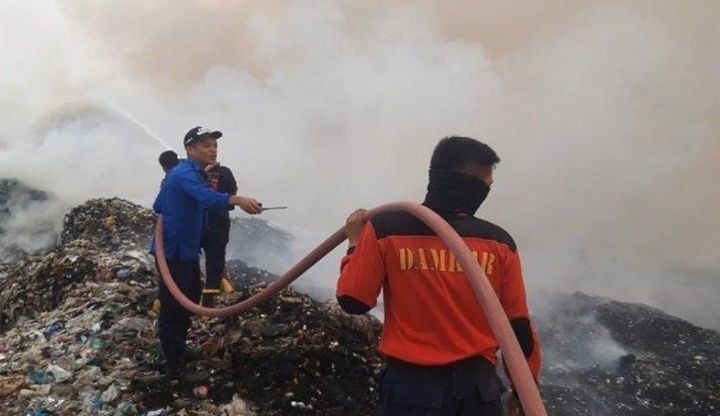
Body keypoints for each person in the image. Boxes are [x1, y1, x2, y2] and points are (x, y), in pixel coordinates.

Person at [336, 136, 541, 415]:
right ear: (470, 185)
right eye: (486, 185)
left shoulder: (386, 229)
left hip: (412, 391)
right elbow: (518, 328)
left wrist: (355, 244)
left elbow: (353, 300)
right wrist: (523, 392)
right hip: (478, 392)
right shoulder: (499, 243)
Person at [151, 126, 263, 378]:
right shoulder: (183, 175)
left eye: (214, 145)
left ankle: (178, 348)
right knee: (174, 304)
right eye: (206, 145)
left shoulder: (188, 173)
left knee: (189, 294)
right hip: (173, 252)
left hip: (187, 250)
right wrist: (238, 200)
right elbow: (206, 198)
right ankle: (173, 363)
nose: (213, 150)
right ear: (190, 150)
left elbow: (159, 204)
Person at [200, 161, 237, 307]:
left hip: (200, 223)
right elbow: (232, 193)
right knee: (215, 262)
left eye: (214, 145)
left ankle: (203, 303)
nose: (213, 150)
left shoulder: (192, 174)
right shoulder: (224, 172)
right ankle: (208, 305)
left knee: (191, 261)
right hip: (219, 223)